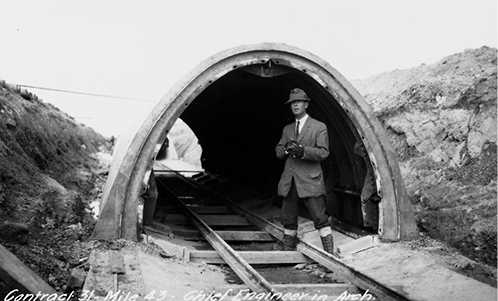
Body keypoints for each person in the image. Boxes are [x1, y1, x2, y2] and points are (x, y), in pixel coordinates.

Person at [275, 88, 335, 255]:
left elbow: (323, 152)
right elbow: (278, 152)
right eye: (292, 103)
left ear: (306, 104)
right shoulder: (287, 129)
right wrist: (287, 148)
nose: (295, 105)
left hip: (310, 179)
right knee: (288, 218)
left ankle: (329, 254)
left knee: (319, 217)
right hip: (290, 179)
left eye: (298, 102)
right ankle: (288, 250)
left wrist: (303, 151)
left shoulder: (318, 127)